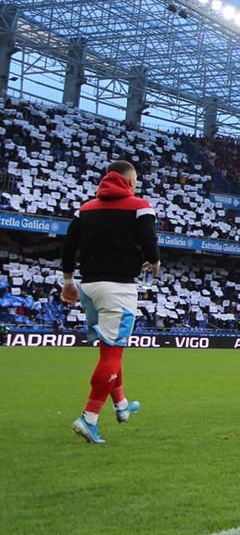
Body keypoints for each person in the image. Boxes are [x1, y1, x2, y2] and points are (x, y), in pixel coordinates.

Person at [60, 160, 159, 444]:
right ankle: (89, 418)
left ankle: (121, 403)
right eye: (136, 180)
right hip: (118, 288)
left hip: (88, 286)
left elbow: (68, 246)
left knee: (109, 353)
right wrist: (154, 261)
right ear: (129, 181)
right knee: (113, 355)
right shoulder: (140, 206)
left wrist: (68, 282)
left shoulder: (86, 209)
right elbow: (150, 244)